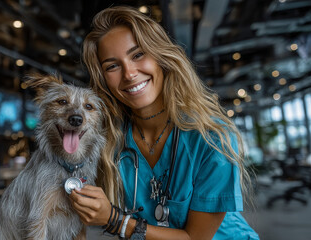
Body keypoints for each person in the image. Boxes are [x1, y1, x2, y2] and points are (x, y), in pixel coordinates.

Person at [69, 5, 259, 240]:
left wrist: (116, 221)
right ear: (103, 79)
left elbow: (195, 238)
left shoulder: (211, 138)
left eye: (138, 54)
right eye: (112, 66)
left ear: (161, 56)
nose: (129, 73)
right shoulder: (110, 140)